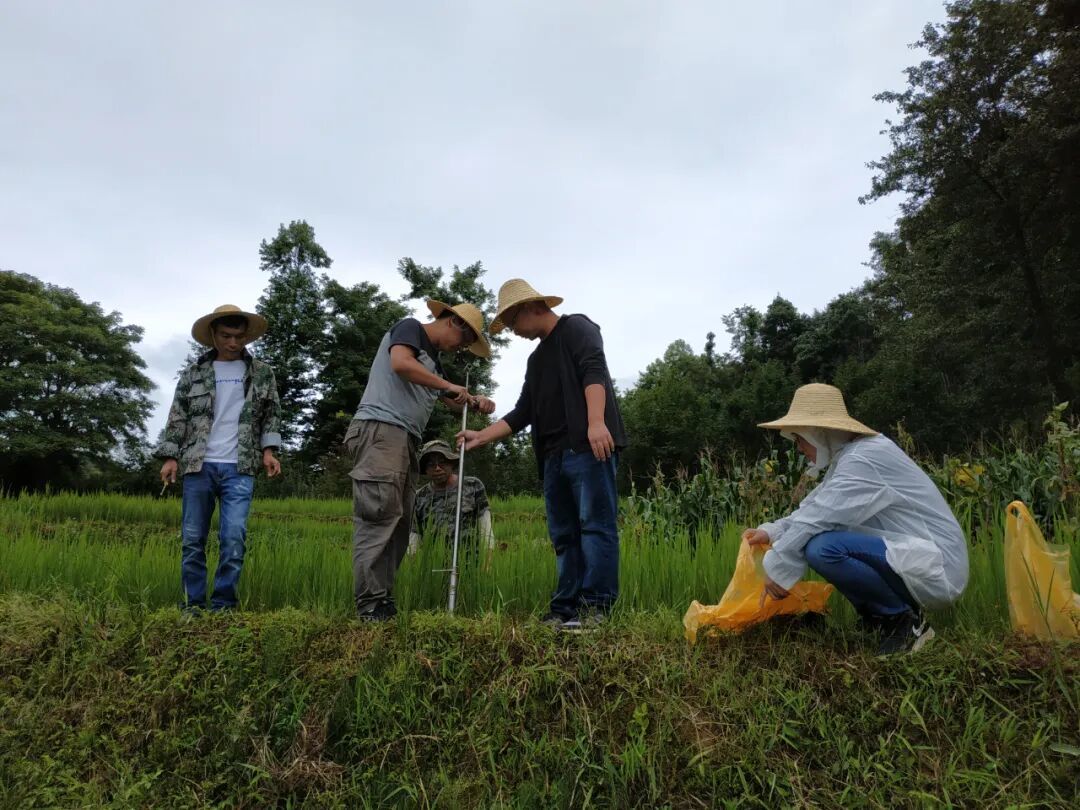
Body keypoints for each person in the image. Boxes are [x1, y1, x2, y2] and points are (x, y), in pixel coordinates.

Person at [742, 383, 969, 655]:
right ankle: (880, 620)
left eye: (799, 438)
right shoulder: (852, 457)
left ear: (819, 433)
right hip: (917, 555)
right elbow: (814, 507)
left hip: (938, 566)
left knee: (823, 548)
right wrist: (772, 532)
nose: (799, 448)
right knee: (822, 544)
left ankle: (904, 622)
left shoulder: (865, 458)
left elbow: (815, 519)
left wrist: (777, 564)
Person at [458, 279, 627, 631]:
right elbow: (523, 412)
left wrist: (596, 422)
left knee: (596, 527)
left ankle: (596, 608)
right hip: (552, 457)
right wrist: (481, 436)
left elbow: (593, 371)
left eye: (512, 321)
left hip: (587, 448)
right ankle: (565, 608)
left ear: (530, 308)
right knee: (564, 535)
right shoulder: (536, 361)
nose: (514, 331)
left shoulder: (578, 327)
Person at [346, 300, 495, 621]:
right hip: (381, 430)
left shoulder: (433, 364)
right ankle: (370, 604)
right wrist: (448, 385)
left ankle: (383, 600)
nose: (461, 349)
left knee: (399, 521)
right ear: (455, 323)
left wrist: (476, 400)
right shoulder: (409, 328)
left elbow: (452, 400)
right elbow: (401, 363)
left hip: (405, 438)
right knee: (379, 515)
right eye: (465, 342)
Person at [156, 304, 282, 612]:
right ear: (213, 334)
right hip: (198, 465)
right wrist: (170, 457)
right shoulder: (194, 373)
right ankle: (193, 605)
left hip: (240, 466)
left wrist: (269, 451)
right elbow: (178, 417)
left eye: (240, 337)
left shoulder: (262, 373)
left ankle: (224, 605)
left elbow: (272, 415)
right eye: (226, 336)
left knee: (233, 538)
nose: (233, 343)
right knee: (192, 540)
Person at [407, 439, 496, 560]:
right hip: (433, 567)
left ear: (451, 463)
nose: (437, 468)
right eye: (431, 464)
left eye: (442, 462)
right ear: (425, 470)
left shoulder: (473, 486)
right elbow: (414, 535)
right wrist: (413, 565)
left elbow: (485, 526)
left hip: (471, 564)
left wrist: (488, 560)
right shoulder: (419, 497)